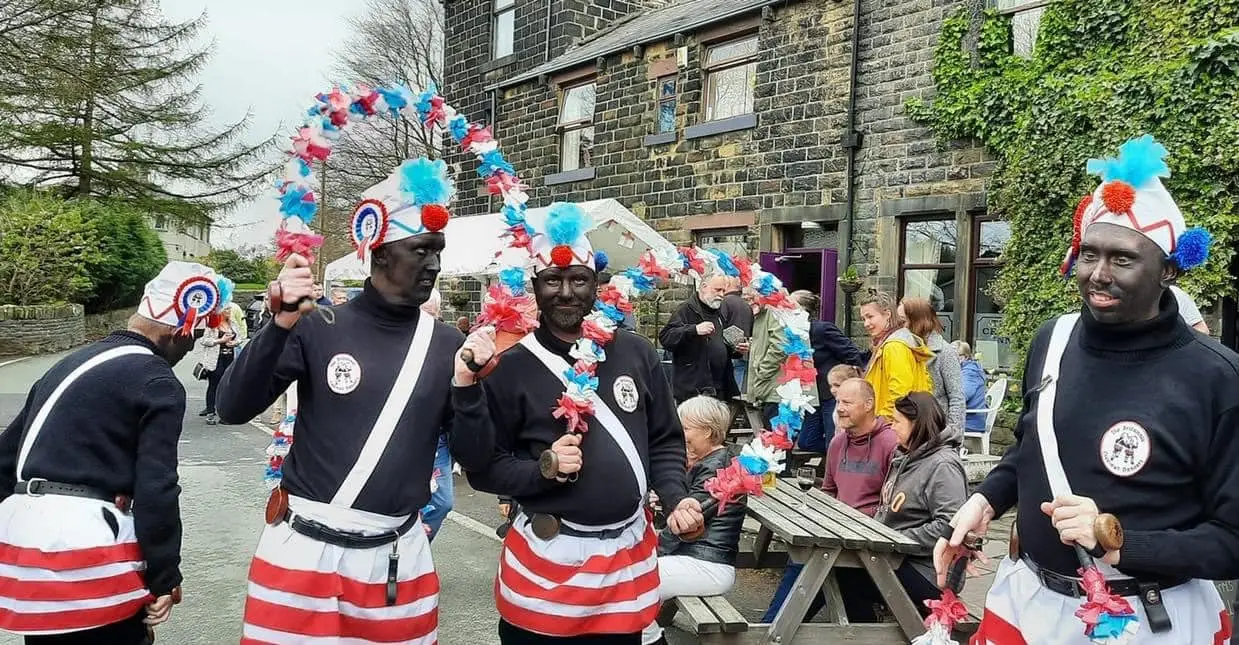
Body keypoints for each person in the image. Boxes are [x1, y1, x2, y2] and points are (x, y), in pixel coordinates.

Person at [940, 135, 1237, 643]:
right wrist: (985, 501)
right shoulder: (1052, 339)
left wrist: (1121, 542)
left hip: (1148, 620)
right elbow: (1032, 445)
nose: (1098, 275)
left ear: (1168, 268)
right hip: (1028, 605)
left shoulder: (1217, 377)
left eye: (1122, 259)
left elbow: (1232, 538)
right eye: (1088, 255)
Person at [215, 158, 497, 644]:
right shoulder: (316, 325)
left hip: (396, 558)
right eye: (420, 250)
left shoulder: (449, 342)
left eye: (438, 251)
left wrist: (468, 387)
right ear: (380, 252)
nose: (434, 264)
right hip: (302, 551)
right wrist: (278, 324)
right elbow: (232, 407)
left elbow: (477, 461)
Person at [463, 204, 704, 644]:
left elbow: (665, 441)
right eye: (553, 281)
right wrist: (543, 469)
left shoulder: (637, 353)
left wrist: (675, 496)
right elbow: (484, 469)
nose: (566, 292)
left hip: (626, 559)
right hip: (546, 563)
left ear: (596, 284)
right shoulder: (510, 367)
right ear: (535, 287)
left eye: (578, 279)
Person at [0, 261, 230, 643]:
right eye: (193, 333)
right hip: (91, 548)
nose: (191, 344)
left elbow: (7, 457)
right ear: (177, 329)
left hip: (30, 549)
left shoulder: (69, 364)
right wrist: (164, 577)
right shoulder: (158, 380)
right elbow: (158, 487)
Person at [761, 378, 898, 621]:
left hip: (871, 540)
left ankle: (772, 628)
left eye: (847, 402)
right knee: (804, 558)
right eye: (837, 402)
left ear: (868, 405)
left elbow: (893, 503)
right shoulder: (837, 443)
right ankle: (774, 626)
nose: (840, 408)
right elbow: (829, 491)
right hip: (835, 534)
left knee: (810, 565)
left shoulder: (890, 444)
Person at [642, 396, 746, 645]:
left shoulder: (717, 469)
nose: (679, 434)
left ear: (708, 432)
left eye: (685, 428)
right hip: (695, 558)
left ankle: (649, 637)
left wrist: (652, 549)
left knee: (633, 586)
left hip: (707, 564)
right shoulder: (708, 462)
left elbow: (683, 524)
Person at [872, 392, 967, 613]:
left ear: (918, 424)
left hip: (930, 572)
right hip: (895, 557)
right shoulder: (906, 457)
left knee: (846, 574)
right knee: (841, 570)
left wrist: (894, 539)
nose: (891, 427)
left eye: (896, 421)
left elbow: (949, 526)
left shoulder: (943, 466)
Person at [790, 290, 862, 452]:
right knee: (806, 441)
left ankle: (837, 465)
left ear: (803, 310)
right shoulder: (794, 335)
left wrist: (852, 383)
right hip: (812, 396)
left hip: (832, 394)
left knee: (833, 440)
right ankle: (842, 453)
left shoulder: (822, 330)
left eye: (792, 305)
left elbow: (851, 353)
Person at [659, 274, 738, 404]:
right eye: (717, 290)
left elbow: (720, 344)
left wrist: (736, 348)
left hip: (718, 386)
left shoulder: (718, 311)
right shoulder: (686, 309)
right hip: (694, 388)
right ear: (704, 287)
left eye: (723, 291)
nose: (721, 294)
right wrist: (694, 330)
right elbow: (666, 337)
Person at [748, 294, 821, 431]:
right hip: (779, 388)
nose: (748, 300)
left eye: (751, 296)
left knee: (778, 441)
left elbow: (780, 346)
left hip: (779, 390)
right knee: (778, 440)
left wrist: (762, 372)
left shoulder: (777, 311)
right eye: (745, 297)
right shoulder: (770, 311)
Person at [858, 290, 932, 420]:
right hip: (904, 422)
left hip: (894, 426)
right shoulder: (897, 341)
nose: (866, 324)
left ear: (887, 314)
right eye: (863, 319)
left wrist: (881, 421)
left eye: (870, 317)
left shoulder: (894, 346)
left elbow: (900, 394)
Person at [419, 287, 455, 541]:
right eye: (422, 313)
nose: (427, 320)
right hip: (402, 437)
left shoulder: (449, 343)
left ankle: (418, 548)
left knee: (442, 502)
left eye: (432, 313)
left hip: (439, 439)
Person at [900, 297, 965, 439]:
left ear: (917, 320)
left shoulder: (945, 352)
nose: (901, 328)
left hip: (937, 432)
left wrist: (953, 434)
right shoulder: (902, 349)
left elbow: (957, 397)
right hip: (909, 431)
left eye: (903, 321)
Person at [199, 306, 241, 425]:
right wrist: (219, 341)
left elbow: (240, 337)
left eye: (229, 309)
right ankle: (210, 412)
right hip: (216, 359)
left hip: (229, 357)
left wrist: (234, 342)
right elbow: (204, 340)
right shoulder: (213, 325)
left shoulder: (232, 323)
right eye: (226, 310)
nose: (229, 312)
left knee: (226, 385)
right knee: (214, 384)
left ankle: (224, 413)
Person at [719, 277, 755, 391]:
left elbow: (719, 325)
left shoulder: (724, 302)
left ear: (727, 284)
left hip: (728, 352)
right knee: (740, 389)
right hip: (745, 350)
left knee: (729, 392)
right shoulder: (747, 304)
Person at [952, 341, 988, 434]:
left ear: (966, 357)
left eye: (954, 356)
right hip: (969, 418)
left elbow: (962, 396)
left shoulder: (970, 373)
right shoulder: (968, 369)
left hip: (970, 422)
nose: (950, 359)